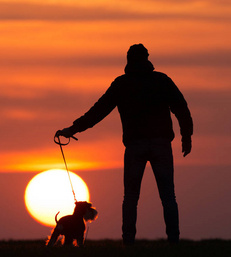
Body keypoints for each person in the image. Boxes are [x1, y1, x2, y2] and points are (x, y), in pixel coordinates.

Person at [56, 44, 193, 245]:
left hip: (136, 146)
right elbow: (182, 108)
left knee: (130, 198)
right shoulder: (161, 80)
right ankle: (174, 242)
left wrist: (72, 129)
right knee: (168, 197)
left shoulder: (123, 84)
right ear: (147, 59)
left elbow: (98, 111)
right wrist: (186, 136)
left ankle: (128, 242)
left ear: (128, 60)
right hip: (160, 144)